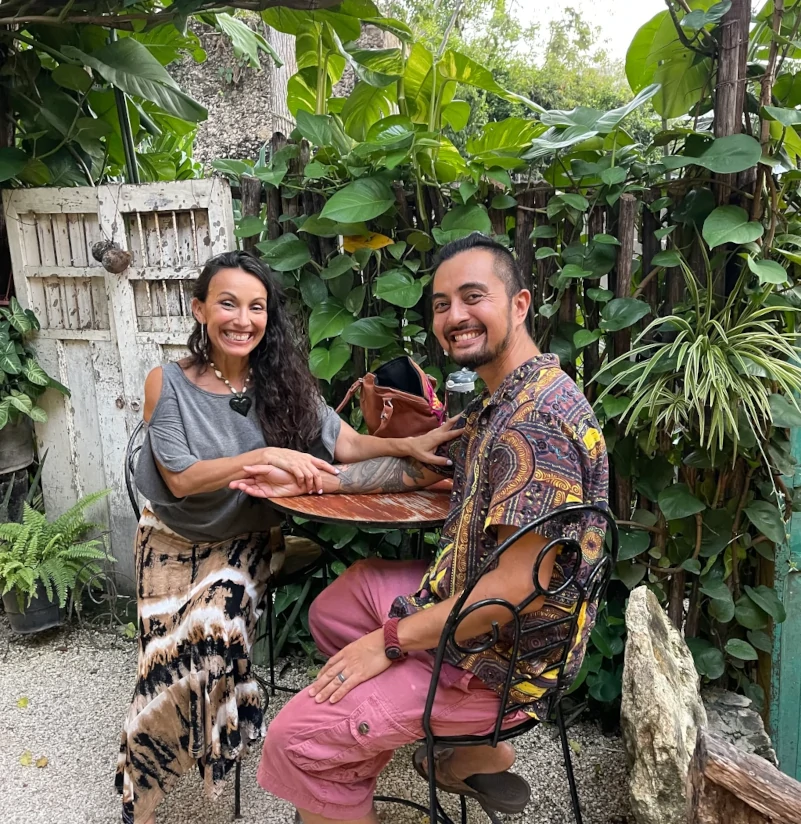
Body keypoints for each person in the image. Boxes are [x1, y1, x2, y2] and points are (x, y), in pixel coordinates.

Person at [231, 233, 610, 824]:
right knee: (338, 606)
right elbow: (423, 472)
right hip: (470, 608)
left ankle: (375, 746)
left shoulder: (534, 426)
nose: (454, 316)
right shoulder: (504, 400)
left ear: (519, 304)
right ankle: (460, 752)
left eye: (472, 296)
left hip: (501, 660)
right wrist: (317, 481)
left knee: (295, 742)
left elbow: (509, 594)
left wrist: (390, 641)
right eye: (440, 303)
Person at [115, 250, 460, 824]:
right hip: (171, 539)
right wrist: (261, 455)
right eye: (227, 303)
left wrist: (404, 446)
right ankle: (142, 792)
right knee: (162, 665)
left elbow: (345, 444)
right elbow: (179, 476)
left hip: (246, 541)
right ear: (201, 309)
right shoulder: (167, 382)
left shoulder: (283, 381)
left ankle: (218, 734)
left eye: (257, 307)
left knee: (212, 632)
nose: (243, 319)